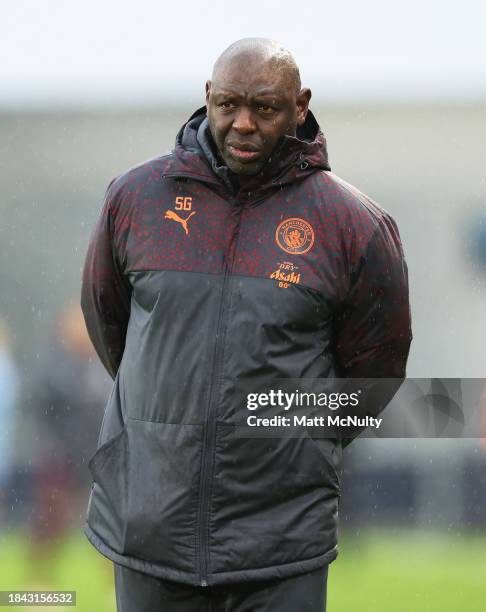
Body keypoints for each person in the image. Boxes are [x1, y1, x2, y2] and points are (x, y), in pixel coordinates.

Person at [81, 38, 412, 611]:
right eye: (228, 104)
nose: (243, 123)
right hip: (149, 529)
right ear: (206, 97)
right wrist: (168, 406)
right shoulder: (134, 199)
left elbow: (375, 373)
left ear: (301, 105)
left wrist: (288, 431)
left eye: (264, 108)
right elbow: (110, 326)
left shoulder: (353, 225)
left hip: (283, 544)